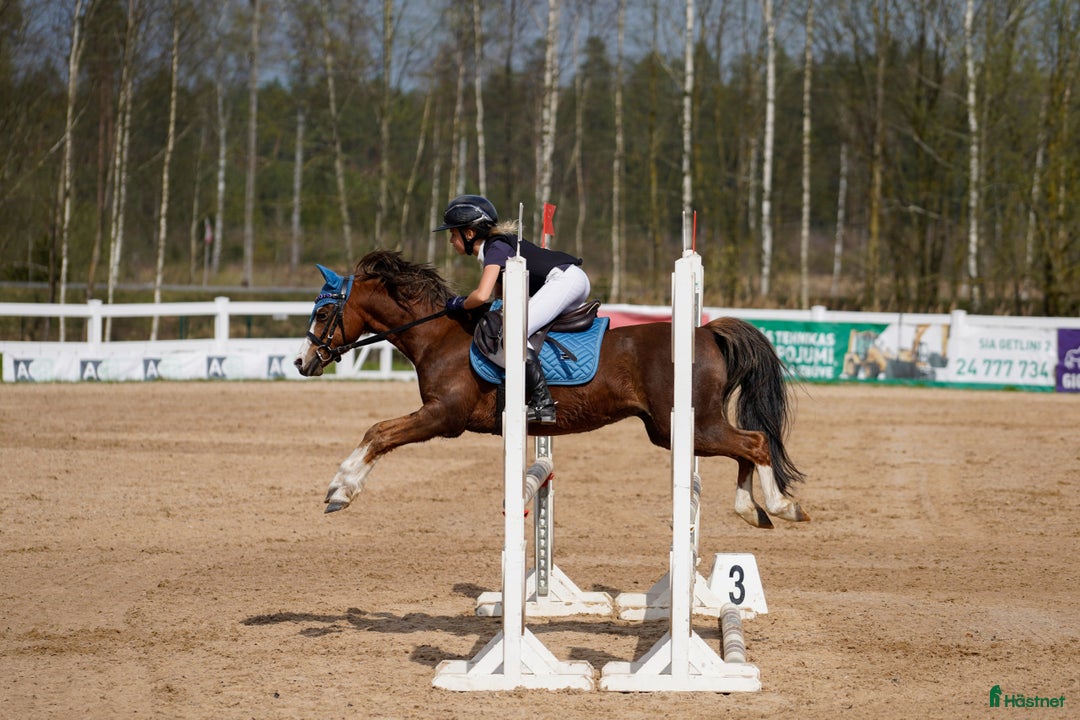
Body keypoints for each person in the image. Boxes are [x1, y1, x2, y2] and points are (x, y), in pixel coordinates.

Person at [434, 194, 590, 424]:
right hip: (571, 280)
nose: (450, 240)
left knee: (513, 331)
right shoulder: (497, 247)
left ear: (469, 233)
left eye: (452, 233)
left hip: (565, 281)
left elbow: (482, 294)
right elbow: (499, 297)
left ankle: (543, 404)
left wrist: (457, 303)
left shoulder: (494, 247)